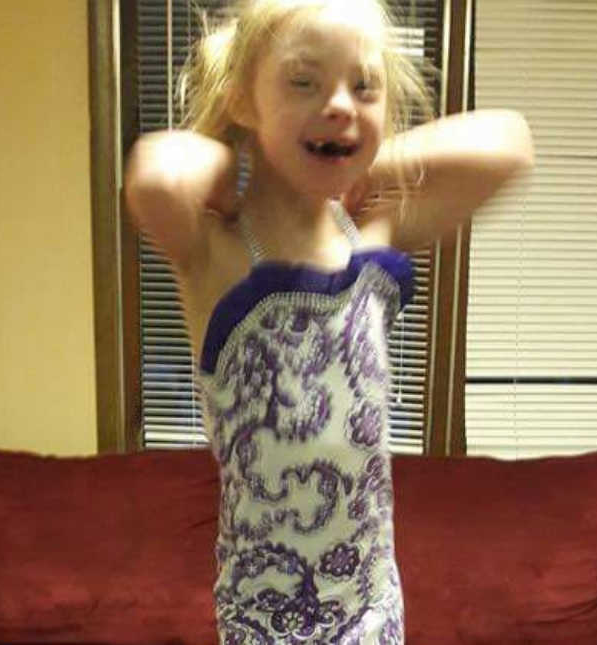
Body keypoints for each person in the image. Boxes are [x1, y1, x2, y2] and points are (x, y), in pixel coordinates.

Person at [124, 0, 534, 641]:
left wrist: (371, 159)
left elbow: (506, 148)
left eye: (363, 86)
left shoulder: (371, 235)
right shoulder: (219, 252)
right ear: (243, 102)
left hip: (371, 611)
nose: (340, 103)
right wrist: (230, 160)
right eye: (303, 81)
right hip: (264, 620)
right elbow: (156, 177)